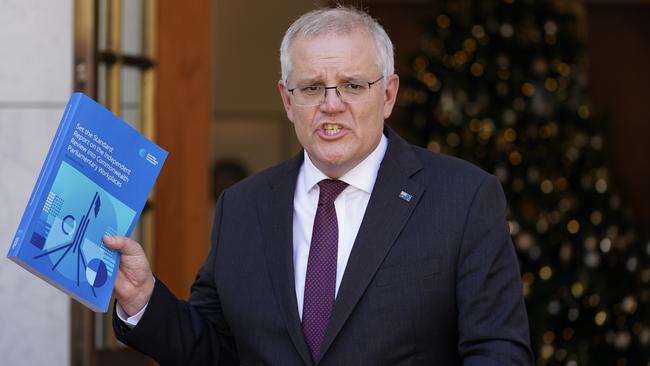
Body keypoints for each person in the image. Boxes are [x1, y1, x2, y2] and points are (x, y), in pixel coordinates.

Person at [105, 6, 533, 365]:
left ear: (388, 95)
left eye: (352, 85)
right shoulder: (243, 206)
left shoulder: (462, 198)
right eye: (312, 88)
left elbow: (497, 352)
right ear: (288, 100)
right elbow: (213, 350)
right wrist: (144, 299)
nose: (332, 106)